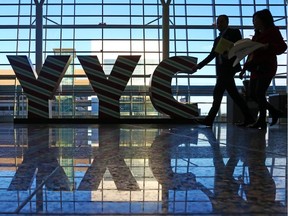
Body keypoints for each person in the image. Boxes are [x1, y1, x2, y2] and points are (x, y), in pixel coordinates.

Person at [192, 15, 255, 127]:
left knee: (218, 92)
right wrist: (199, 66)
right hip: (222, 70)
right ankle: (249, 117)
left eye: (221, 21)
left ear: (227, 22)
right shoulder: (217, 40)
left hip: (229, 68)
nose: (219, 24)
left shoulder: (234, 33)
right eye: (218, 22)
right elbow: (212, 55)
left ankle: (209, 120)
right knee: (233, 94)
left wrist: (229, 53)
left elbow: (240, 47)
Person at [239, 9, 287, 129]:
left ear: (263, 20)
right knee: (254, 95)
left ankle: (261, 121)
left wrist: (268, 47)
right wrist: (244, 69)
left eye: (255, 20)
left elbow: (282, 47)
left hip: (266, 66)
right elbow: (251, 54)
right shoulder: (257, 35)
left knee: (259, 94)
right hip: (255, 68)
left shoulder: (273, 31)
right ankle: (274, 112)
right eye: (253, 20)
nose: (253, 23)